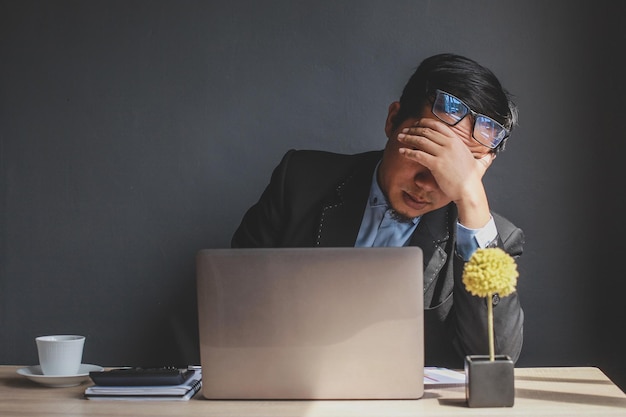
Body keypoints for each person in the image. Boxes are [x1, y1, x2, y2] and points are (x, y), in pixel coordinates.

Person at [231, 53, 524, 368]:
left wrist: (472, 199)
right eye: (423, 150)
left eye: (453, 169)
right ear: (392, 121)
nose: (428, 182)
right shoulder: (300, 181)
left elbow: (494, 359)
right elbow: (233, 305)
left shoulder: (493, 239)